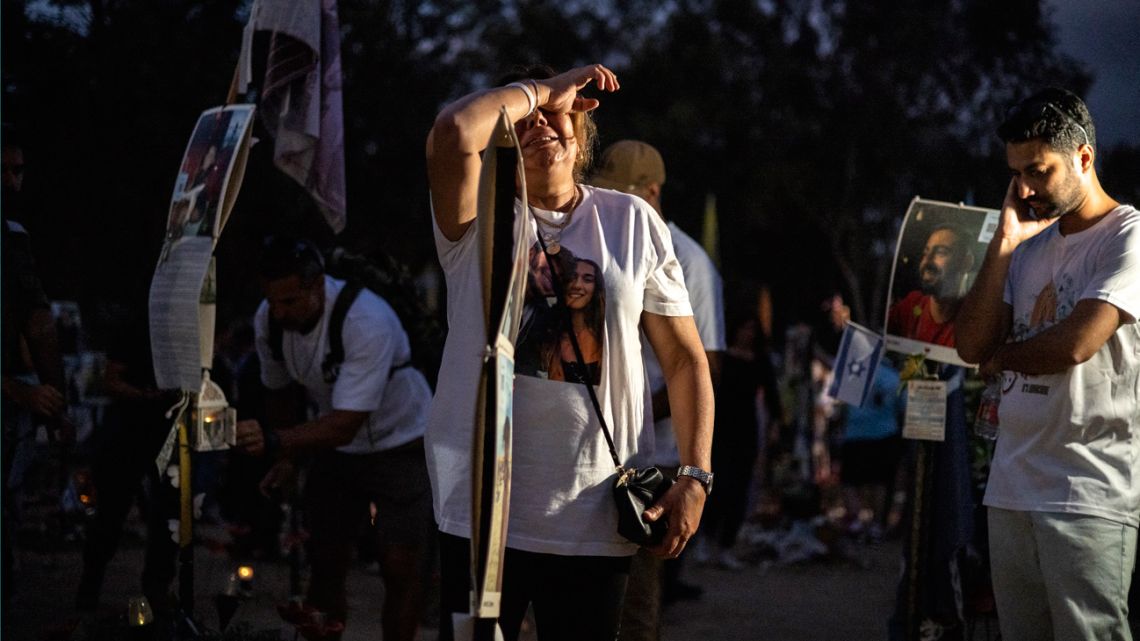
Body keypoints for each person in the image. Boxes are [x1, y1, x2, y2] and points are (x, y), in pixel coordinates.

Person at [426, 65, 715, 641]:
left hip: (592, 510)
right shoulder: (474, 220)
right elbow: (454, 130)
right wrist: (542, 92)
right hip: (478, 510)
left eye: (556, 114)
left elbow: (685, 360)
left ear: (583, 131)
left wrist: (696, 476)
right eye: (522, 120)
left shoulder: (632, 221)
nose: (540, 125)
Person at [956, 87, 1139, 640]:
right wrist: (1005, 241)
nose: (1027, 188)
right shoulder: (1027, 249)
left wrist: (1003, 358)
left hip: (1088, 490)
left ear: (1084, 158)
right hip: (1012, 487)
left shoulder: (1127, 236)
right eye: (1017, 175)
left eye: (1039, 171)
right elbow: (969, 344)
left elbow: (1077, 343)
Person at [235, 236, 433, 641]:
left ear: (317, 285)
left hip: (401, 441)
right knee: (325, 562)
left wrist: (276, 442)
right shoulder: (269, 321)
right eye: (272, 301)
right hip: (337, 446)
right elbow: (279, 389)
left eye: (290, 302)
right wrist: (286, 461)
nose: (280, 312)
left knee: (399, 563)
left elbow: (347, 422)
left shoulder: (365, 321)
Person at [587, 140, 725, 639]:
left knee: (636, 603)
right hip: (599, 450)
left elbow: (705, 365)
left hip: (658, 455)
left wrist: (637, 414)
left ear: (653, 192)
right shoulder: (604, 242)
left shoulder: (690, 261)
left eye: (621, 194)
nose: (611, 203)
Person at [1, 136, 71, 609]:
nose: (11, 181)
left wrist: (49, 396)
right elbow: (39, 325)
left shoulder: (13, 236)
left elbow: (40, 326)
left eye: (18, 170)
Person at [887, 223, 975, 347]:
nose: (927, 261)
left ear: (966, 263)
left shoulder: (974, 320)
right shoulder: (913, 304)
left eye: (940, 252)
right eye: (925, 253)